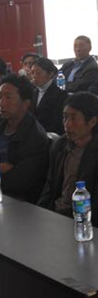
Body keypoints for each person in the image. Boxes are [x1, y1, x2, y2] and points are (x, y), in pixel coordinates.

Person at [38, 93, 98, 231]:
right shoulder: (60, 145)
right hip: (53, 215)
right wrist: (40, 213)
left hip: (79, 223)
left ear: (92, 122)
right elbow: (49, 188)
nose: (67, 124)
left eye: (74, 118)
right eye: (65, 117)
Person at [0, 74, 49, 203]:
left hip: (19, 202)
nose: (2, 103)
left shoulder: (36, 137)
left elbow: (20, 184)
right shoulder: (2, 124)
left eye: (8, 97)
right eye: (0, 97)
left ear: (25, 103)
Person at [30, 57, 68, 135]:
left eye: (38, 73)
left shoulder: (60, 95)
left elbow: (57, 124)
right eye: (32, 72)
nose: (34, 76)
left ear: (50, 74)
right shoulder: (33, 92)